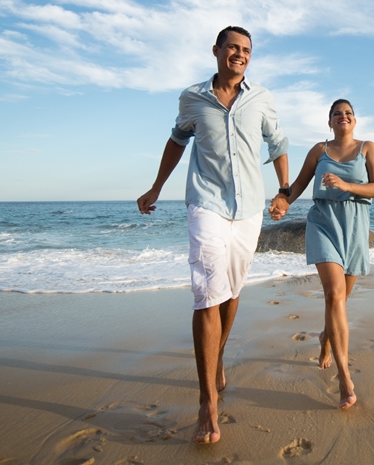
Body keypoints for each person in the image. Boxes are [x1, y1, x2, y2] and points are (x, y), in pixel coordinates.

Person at [137, 26, 291, 444]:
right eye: (233, 47)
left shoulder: (261, 99)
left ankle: (217, 354)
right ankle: (207, 401)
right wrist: (156, 187)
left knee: (231, 291)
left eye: (246, 50)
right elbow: (176, 141)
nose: (240, 54)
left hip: (249, 210)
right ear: (216, 50)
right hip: (205, 203)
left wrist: (284, 191)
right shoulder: (193, 97)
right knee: (207, 292)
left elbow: (278, 144)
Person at [270, 98, 374, 409]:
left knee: (340, 300)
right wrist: (282, 202)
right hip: (322, 223)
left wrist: (346, 185)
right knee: (333, 294)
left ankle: (325, 337)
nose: (343, 117)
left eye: (348, 113)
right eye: (337, 114)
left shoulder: (368, 148)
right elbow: (297, 185)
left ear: (354, 120)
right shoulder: (319, 150)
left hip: (354, 228)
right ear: (329, 121)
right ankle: (345, 378)